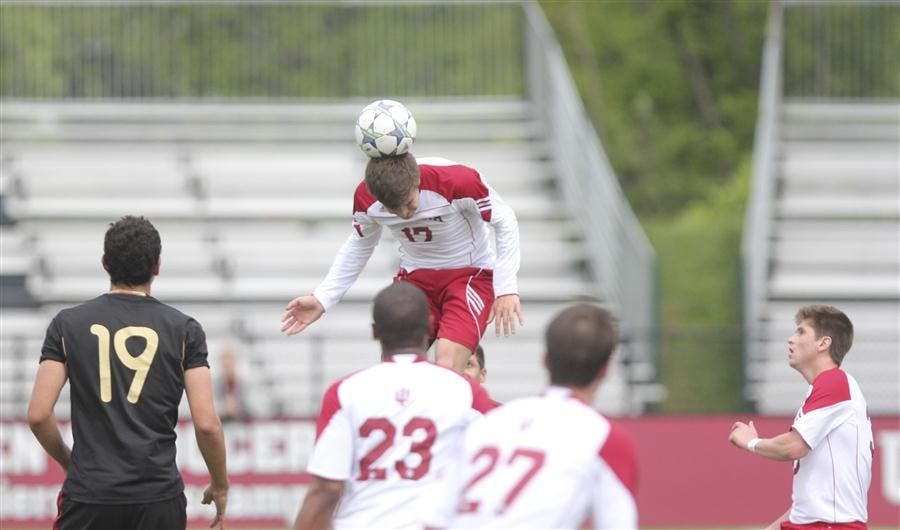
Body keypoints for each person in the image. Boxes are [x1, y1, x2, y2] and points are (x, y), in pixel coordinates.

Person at [282, 104, 524, 373]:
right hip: (415, 280)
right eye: (393, 210)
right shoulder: (366, 199)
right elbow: (360, 244)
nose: (404, 214)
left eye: (409, 203)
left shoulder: (457, 181)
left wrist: (506, 287)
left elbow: (505, 220)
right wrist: (323, 297)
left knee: (446, 366)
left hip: (469, 276)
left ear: (417, 182)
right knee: (397, 371)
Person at [26, 215, 229, 530]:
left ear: (105, 263)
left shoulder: (67, 325)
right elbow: (207, 424)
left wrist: (70, 462)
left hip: (90, 494)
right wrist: (220, 483)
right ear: (157, 266)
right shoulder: (185, 330)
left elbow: (39, 415)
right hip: (158, 497)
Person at [293, 282, 498, 530]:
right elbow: (511, 442)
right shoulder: (463, 390)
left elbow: (327, 488)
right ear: (431, 325)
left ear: (375, 331)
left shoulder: (345, 391)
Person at [433, 303, 639, 529]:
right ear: (606, 370)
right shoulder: (605, 438)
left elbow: (433, 516)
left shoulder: (491, 422)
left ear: (545, 361)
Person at [729, 305, 872, 530]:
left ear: (823, 343)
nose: (791, 339)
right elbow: (807, 507)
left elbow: (792, 447)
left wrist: (751, 442)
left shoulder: (834, 382)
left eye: (801, 332)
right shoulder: (829, 389)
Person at [215, 344, 248, 422]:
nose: (228, 367)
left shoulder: (244, 384)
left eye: (230, 364)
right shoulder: (214, 384)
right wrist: (223, 409)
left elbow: (252, 407)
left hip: (241, 424)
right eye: (225, 364)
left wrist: (237, 408)